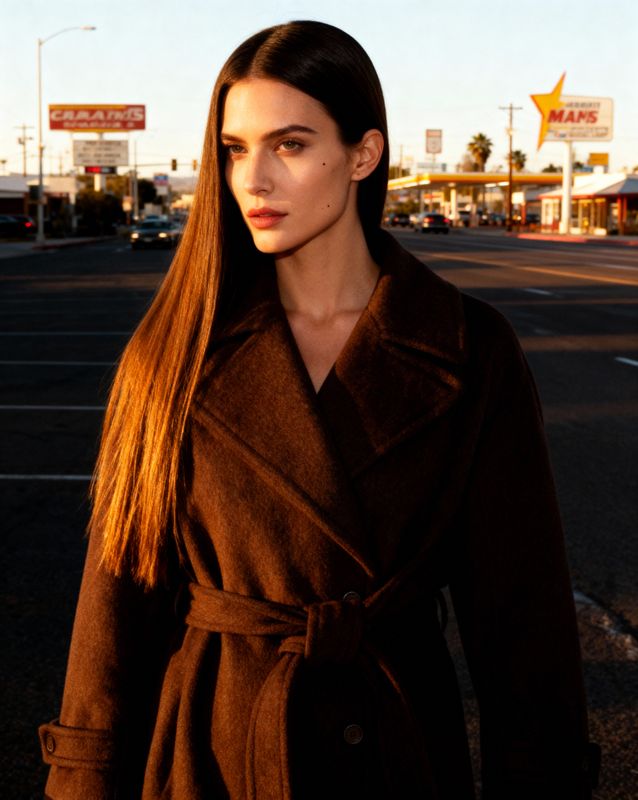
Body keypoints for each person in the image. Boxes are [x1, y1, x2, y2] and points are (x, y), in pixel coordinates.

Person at [39, 20, 600, 800]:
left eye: (290, 145)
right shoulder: (172, 349)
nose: (253, 180)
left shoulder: (470, 351)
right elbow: (115, 614)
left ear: (363, 155)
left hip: (395, 752)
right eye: (235, 149)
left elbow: (523, 628)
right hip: (212, 757)